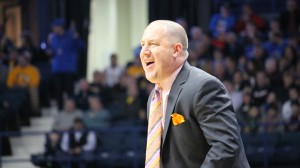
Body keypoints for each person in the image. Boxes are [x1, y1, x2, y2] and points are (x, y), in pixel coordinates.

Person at [140, 20, 249, 167]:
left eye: (153, 44)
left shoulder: (203, 86)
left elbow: (225, 145)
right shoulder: (154, 97)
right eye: (143, 45)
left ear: (176, 50)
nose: (145, 52)